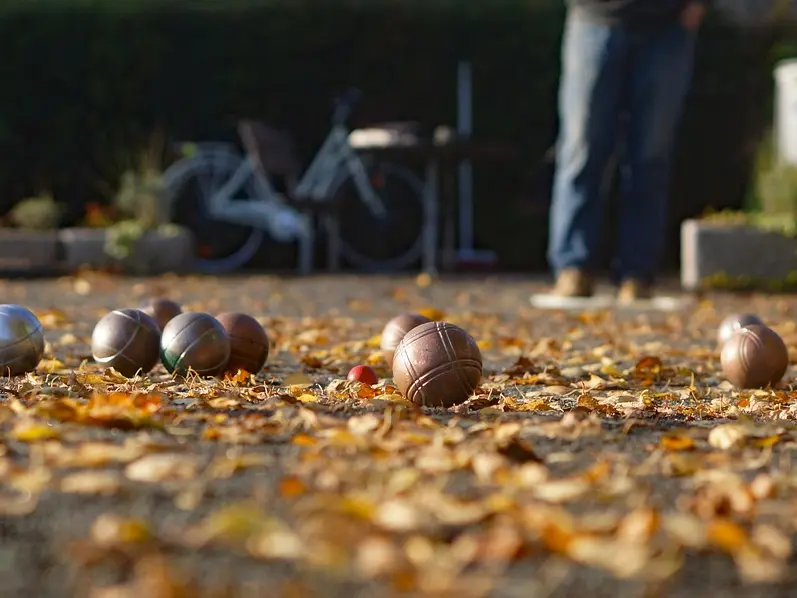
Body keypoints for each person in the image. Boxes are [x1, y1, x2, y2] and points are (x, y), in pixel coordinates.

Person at [547, 0, 710, 302]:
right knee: (582, 149)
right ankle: (573, 266)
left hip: (668, 24)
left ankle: (637, 273)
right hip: (593, 17)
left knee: (651, 155)